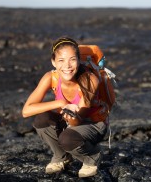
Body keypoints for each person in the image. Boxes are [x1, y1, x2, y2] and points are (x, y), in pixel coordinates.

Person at [22, 37, 107, 178]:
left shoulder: (90, 80)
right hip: (71, 119)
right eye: (61, 60)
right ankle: (62, 157)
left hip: (93, 123)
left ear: (79, 60)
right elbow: (26, 111)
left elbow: (77, 121)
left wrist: (71, 116)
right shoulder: (51, 77)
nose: (67, 66)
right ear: (53, 62)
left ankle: (92, 156)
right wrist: (60, 104)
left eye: (72, 60)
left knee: (67, 138)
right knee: (42, 119)